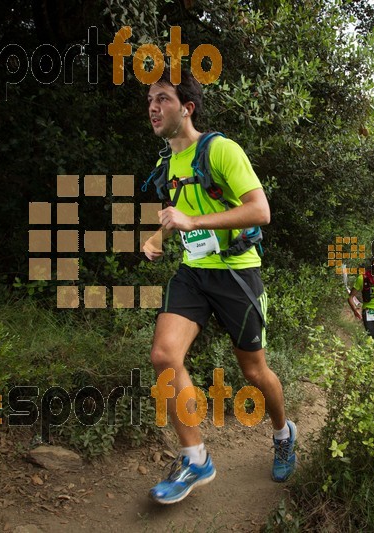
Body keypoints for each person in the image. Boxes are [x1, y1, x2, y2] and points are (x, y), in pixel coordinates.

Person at [142, 67, 296, 505]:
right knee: (163, 354)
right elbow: (180, 212)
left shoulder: (222, 150)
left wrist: (192, 221)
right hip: (193, 272)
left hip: (236, 274)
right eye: (151, 99)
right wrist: (160, 236)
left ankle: (283, 434)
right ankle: (195, 458)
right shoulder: (166, 163)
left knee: (253, 371)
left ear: (186, 108)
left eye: (164, 99)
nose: (153, 106)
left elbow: (260, 210)